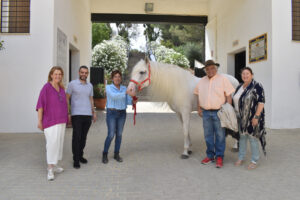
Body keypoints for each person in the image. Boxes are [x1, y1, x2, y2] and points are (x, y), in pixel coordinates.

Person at [194, 60, 235, 168]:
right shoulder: (201, 81)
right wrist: (199, 109)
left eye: (212, 68)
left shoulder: (223, 79)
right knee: (208, 136)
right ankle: (210, 156)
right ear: (205, 70)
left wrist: (227, 109)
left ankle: (220, 157)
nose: (210, 70)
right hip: (206, 113)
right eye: (207, 69)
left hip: (219, 112)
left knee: (220, 135)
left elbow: (228, 96)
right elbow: (198, 95)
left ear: (216, 69)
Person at [36, 66, 68, 181]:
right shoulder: (46, 88)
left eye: (60, 74)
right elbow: (40, 105)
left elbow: (64, 104)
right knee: (51, 144)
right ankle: (50, 169)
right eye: (56, 74)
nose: (58, 76)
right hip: (50, 121)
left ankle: (54, 165)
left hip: (61, 120)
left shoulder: (61, 88)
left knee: (58, 143)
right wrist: (39, 121)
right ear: (51, 75)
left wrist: (66, 117)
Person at [233, 67, 266, 170]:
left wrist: (256, 116)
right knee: (242, 138)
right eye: (243, 74)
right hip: (240, 117)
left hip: (252, 117)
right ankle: (241, 157)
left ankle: (254, 160)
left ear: (252, 75)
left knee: (252, 138)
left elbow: (261, 102)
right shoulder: (239, 86)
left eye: (247, 73)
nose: (245, 75)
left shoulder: (257, 86)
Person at [66, 66, 97, 169]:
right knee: (76, 137)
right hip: (77, 115)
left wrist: (94, 112)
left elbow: (91, 99)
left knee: (83, 138)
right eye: (82, 72)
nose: (84, 74)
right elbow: (67, 99)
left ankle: (80, 155)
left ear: (87, 74)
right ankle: (76, 159)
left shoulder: (90, 85)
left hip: (87, 115)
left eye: (86, 73)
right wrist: (68, 112)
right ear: (79, 72)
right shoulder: (72, 84)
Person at [102, 70, 135, 164]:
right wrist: (126, 93)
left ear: (121, 78)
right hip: (111, 113)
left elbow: (128, 101)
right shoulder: (108, 87)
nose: (117, 78)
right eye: (115, 76)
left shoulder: (124, 88)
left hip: (122, 113)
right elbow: (113, 97)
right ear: (112, 78)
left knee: (119, 134)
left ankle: (116, 153)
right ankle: (105, 153)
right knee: (111, 134)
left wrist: (133, 100)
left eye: (119, 76)